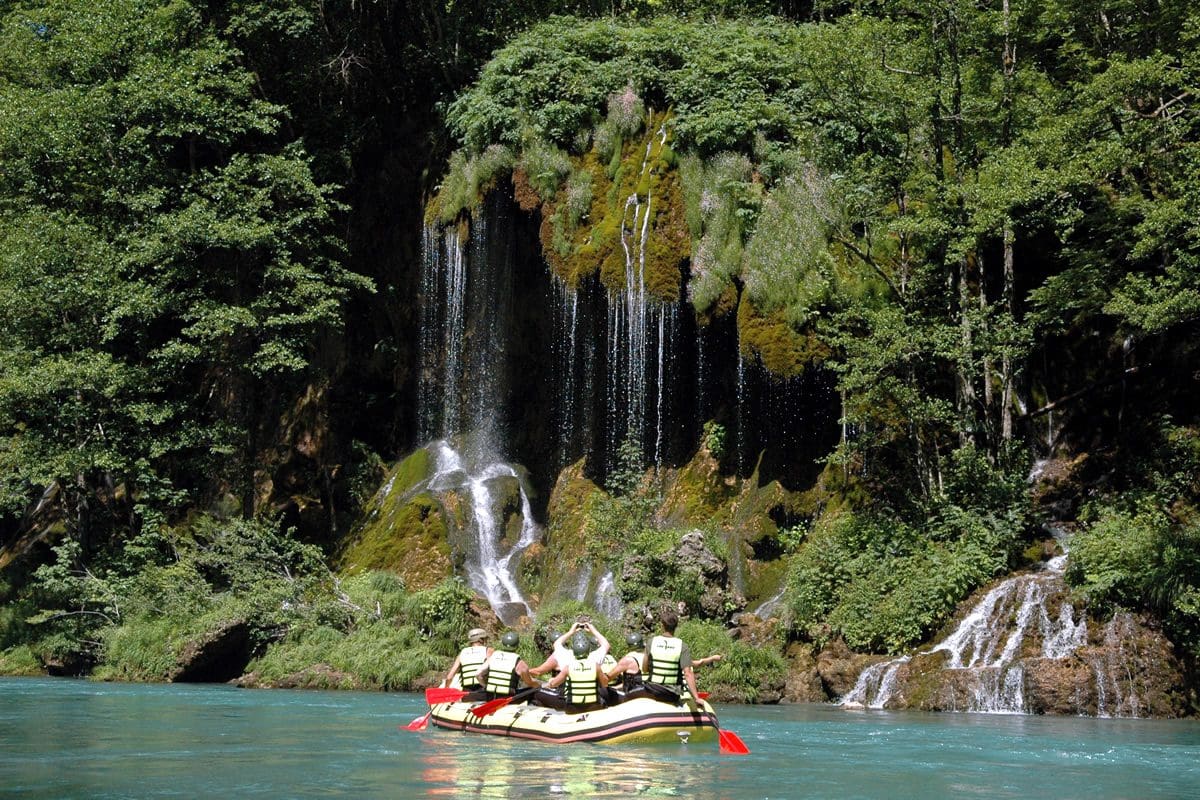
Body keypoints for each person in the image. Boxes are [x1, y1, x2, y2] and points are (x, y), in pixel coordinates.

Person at [643, 609, 701, 705]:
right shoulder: (682, 646)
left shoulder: (651, 642)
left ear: (662, 626)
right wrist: (696, 698)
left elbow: (644, 669)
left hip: (652, 691)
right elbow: (688, 673)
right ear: (676, 627)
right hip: (671, 694)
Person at [544, 632, 609, 712]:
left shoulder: (568, 668)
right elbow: (605, 683)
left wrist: (549, 683)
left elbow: (554, 684)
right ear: (588, 650)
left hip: (573, 708)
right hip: (593, 706)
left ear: (573, 651)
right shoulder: (596, 666)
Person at [473, 631, 539, 701]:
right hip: (508, 698)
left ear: (503, 643)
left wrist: (485, 686)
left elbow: (478, 674)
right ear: (517, 645)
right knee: (532, 691)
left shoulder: (493, 656)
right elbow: (529, 682)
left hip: (490, 696)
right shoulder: (519, 662)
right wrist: (539, 685)